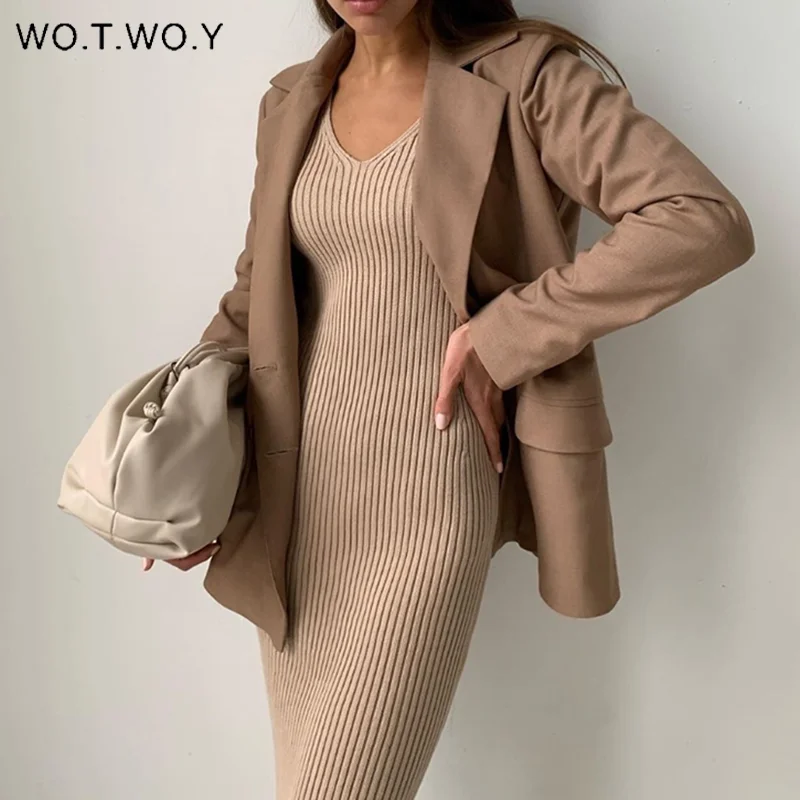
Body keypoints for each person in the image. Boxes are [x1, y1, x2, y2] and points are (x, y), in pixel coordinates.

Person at [145, 1, 755, 797]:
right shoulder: (292, 100)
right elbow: (254, 299)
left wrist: (507, 332)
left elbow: (702, 220)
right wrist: (183, 466)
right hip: (299, 500)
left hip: (428, 498)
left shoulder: (528, 79)